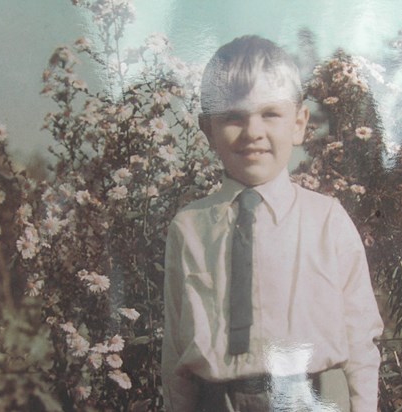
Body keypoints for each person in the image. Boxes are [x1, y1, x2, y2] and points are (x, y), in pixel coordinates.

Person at [161, 35, 383, 412]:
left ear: (299, 124)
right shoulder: (189, 228)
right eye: (233, 116)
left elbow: (360, 339)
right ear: (207, 130)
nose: (253, 132)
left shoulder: (327, 220)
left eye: (270, 114)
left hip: (314, 399)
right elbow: (175, 352)